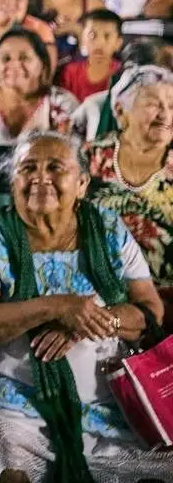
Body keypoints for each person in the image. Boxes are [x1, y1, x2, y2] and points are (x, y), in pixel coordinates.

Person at [0, 131, 167, 482]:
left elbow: (149, 311)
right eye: (27, 168)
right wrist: (58, 306)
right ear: (13, 182)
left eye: (55, 167)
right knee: (2, 435)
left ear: (82, 183)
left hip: (109, 399)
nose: (40, 177)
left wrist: (91, 321)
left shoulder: (108, 229)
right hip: (17, 396)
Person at [84, 66, 173, 317]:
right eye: (153, 104)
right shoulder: (90, 157)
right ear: (122, 111)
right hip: (96, 294)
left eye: (172, 105)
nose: (166, 114)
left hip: (167, 297)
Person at [0, 29, 79, 144]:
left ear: (42, 63)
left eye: (24, 57)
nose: (15, 65)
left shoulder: (63, 103)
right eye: (6, 58)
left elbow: (74, 153)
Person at [54, 9, 123, 101]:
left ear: (118, 43)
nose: (99, 43)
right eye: (92, 35)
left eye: (107, 36)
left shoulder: (124, 74)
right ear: (83, 38)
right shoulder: (69, 73)